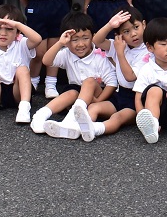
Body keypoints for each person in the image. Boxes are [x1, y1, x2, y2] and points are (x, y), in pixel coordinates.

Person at [31, 11, 118, 139]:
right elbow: (46, 61)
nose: (80, 44)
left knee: (89, 81)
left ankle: (69, 122)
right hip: (76, 94)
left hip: (99, 97)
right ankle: (40, 116)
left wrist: (98, 100)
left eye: (85, 38)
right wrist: (60, 43)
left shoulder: (100, 56)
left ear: (93, 37)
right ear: (67, 41)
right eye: (75, 39)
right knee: (72, 92)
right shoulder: (67, 53)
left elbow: (112, 83)